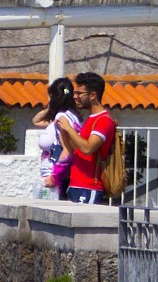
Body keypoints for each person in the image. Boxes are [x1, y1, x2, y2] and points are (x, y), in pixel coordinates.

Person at [57, 71, 117, 205]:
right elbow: (75, 151)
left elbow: (87, 148)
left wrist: (69, 128)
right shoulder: (91, 119)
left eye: (79, 93)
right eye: (75, 93)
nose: (75, 97)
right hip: (76, 185)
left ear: (93, 95)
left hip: (89, 188)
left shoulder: (103, 121)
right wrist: (64, 133)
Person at [34, 77, 81, 199]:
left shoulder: (62, 118)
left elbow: (67, 149)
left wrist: (55, 177)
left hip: (54, 177)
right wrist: (55, 105)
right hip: (54, 175)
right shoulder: (71, 116)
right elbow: (36, 121)